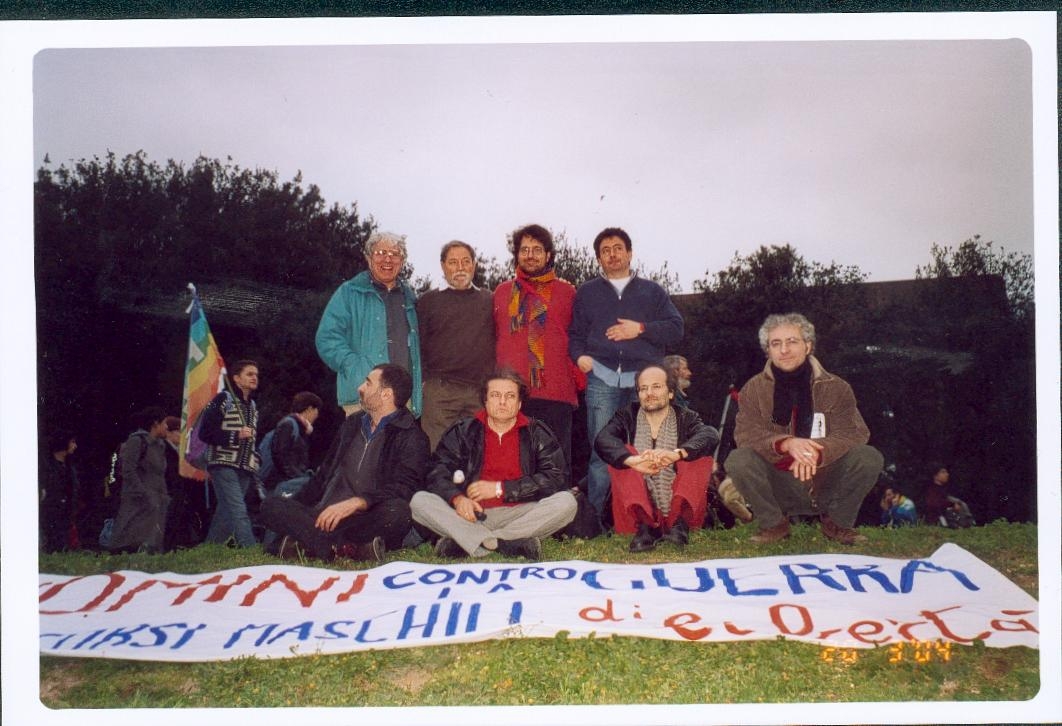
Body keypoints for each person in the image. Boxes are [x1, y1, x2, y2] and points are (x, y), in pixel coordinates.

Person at [726, 313, 883, 545]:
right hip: (779, 482)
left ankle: (838, 524)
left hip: (826, 479)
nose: (784, 350)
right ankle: (773, 525)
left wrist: (814, 451)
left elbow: (854, 432)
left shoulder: (837, 387)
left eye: (792, 341)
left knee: (868, 456)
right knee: (738, 460)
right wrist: (787, 443)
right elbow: (745, 434)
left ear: (808, 345)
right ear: (768, 350)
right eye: (776, 343)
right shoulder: (753, 389)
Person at [259, 364, 430, 562]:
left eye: (368, 383)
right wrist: (293, 508)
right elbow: (323, 476)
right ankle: (345, 548)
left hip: (364, 519)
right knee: (271, 505)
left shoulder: (411, 436)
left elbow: (404, 487)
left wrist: (360, 502)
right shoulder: (352, 424)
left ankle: (316, 544)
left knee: (398, 512)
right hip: (325, 516)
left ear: (386, 394)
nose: (360, 388)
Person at [569, 227, 684, 519]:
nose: (613, 255)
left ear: (630, 253)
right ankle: (596, 520)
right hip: (602, 378)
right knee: (601, 450)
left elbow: (676, 328)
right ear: (599, 258)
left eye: (618, 248)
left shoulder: (652, 291)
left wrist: (640, 329)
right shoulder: (587, 292)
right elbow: (575, 335)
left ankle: (649, 516)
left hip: (643, 382)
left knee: (646, 448)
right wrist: (580, 356)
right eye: (605, 251)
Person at [411, 369, 576, 559]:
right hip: (472, 514)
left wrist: (501, 489)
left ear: (519, 403)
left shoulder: (536, 432)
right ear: (486, 401)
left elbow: (555, 477)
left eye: (510, 396)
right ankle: (508, 542)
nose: (503, 402)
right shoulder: (464, 431)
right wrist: (457, 499)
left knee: (567, 502)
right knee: (419, 501)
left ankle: (477, 541)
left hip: (520, 514)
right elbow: (437, 471)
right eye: (496, 395)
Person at [594, 364, 718, 551]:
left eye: (656, 386)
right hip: (634, 518)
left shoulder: (686, 417)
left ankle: (679, 525)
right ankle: (645, 527)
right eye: (643, 388)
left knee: (700, 458)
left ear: (671, 393)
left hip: (681, 511)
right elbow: (603, 439)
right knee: (624, 453)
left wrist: (676, 454)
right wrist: (634, 461)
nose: (649, 393)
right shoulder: (627, 415)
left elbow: (710, 435)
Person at [493, 224, 581, 475]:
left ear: (548, 255)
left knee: (555, 464)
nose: (530, 255)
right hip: (512, 393)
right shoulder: (501, 292)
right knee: (514, 464)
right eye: (524, 250)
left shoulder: (567, 292)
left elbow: (578, 335)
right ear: (517, 255)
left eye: (537, 250)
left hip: (555, 392)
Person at [316, 231, 422, 418]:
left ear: (402, 261)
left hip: (403, 399)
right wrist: (353, 366)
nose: (388, 259)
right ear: (368, 257)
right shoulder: (349, 292)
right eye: (381, 253)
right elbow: (327, 337)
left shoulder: (410, 298)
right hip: (363, 397)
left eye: (395, 254)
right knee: (363, 439)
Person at [417, 240, 495, 450]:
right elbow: (417, 344)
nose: (460, 267)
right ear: (443, 266)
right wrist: (424, 383)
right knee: (437, 453)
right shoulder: (428, 301)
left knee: (477, 454)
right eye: (453, 262)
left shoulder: (489, 300)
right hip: (440, 393)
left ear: (474, 265)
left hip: (479, 393)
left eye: (465, 261)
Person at [198, 359, 261, 548]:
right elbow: (205, 432)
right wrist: (235, 435)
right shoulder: (222, 399)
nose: (254, 378)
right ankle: (251, 551)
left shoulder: (252, 406)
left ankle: (209, 550)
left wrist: (256, 457)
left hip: (244, 468)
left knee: (226, 512)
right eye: (249, 374)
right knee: (238, 510)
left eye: (256, 375)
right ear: (236, 378)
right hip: (223, 464)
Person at [108, 407, 170, 553]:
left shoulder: (160, 446)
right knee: (130, 540)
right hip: (138, 501)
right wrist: (144, 493)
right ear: (155, 423)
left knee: (152, 542)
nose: (167, 427)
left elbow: (159, 474)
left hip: (156, 502)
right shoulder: (137, 441)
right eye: (164, 423)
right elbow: (128, 471)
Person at [264, 391, 323, 498]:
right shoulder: (289, 424)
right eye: (317, 410)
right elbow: (280, 455)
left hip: (286, 481)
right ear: (310, 409)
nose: (317, 415)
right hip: (281, 483)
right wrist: (294, 477)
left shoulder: (299, 428)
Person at [162, 416, 204, 550]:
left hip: (179, 493)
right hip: (169, 492)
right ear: (168, 432)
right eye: (179, 431)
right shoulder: (163, 449)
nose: (182, 436)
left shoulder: (178, 451)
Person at [39, 430, 80, 552]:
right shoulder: (47, 467)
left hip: (66, 512)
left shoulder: (69, 466)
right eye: (72, 442)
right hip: (52, 512)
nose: (75, 446)